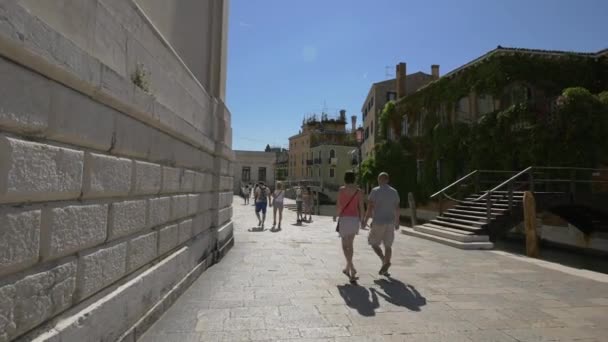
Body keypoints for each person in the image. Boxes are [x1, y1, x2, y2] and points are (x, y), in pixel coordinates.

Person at [364, 172, 400, 276]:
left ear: (379, 180)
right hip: (390, 222)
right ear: (387, 180)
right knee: (388, 245)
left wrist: (365, 221)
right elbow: (397, 208)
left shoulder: (375, 191)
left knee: (373, 243)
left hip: (378, 221)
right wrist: (397, 222)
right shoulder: (394, 192)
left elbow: (370, 208)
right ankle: (386, 267)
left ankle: (384, 260)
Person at [334, 171, 364, 281]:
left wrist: (335, 215)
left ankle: (352, 267)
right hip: (354, 219)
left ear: (345, 178)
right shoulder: (359, 191)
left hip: (344, 219)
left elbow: (339, 205)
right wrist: (363, 220)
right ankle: (348, 268)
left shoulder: (341, 190)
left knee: (344, 245)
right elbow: (361, 207)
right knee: (350, 245)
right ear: (354, 179)